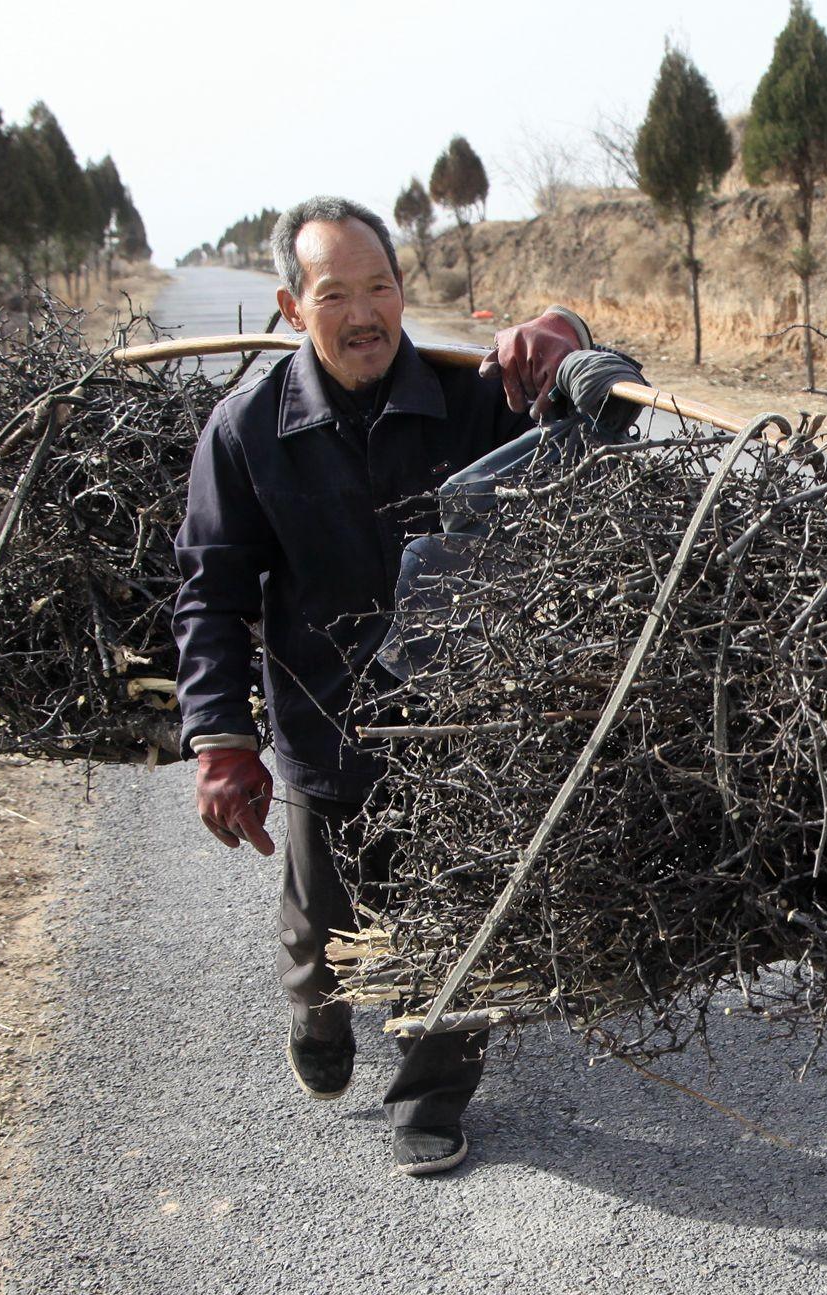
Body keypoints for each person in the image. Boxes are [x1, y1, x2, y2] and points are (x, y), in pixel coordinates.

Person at [171, 194, 626, 1178]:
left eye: (381, 285)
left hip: (461, 723)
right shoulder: (246, 430)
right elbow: (208, 593)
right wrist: (219, 738)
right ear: (295, 309)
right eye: (337, 293)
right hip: (321, 723)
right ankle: (320, 1009)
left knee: (461, 906)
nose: (366, 311)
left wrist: (571, 336)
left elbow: (597, 407)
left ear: (405, 290)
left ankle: (434, 1086)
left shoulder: (470, 396)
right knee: (320, 919)